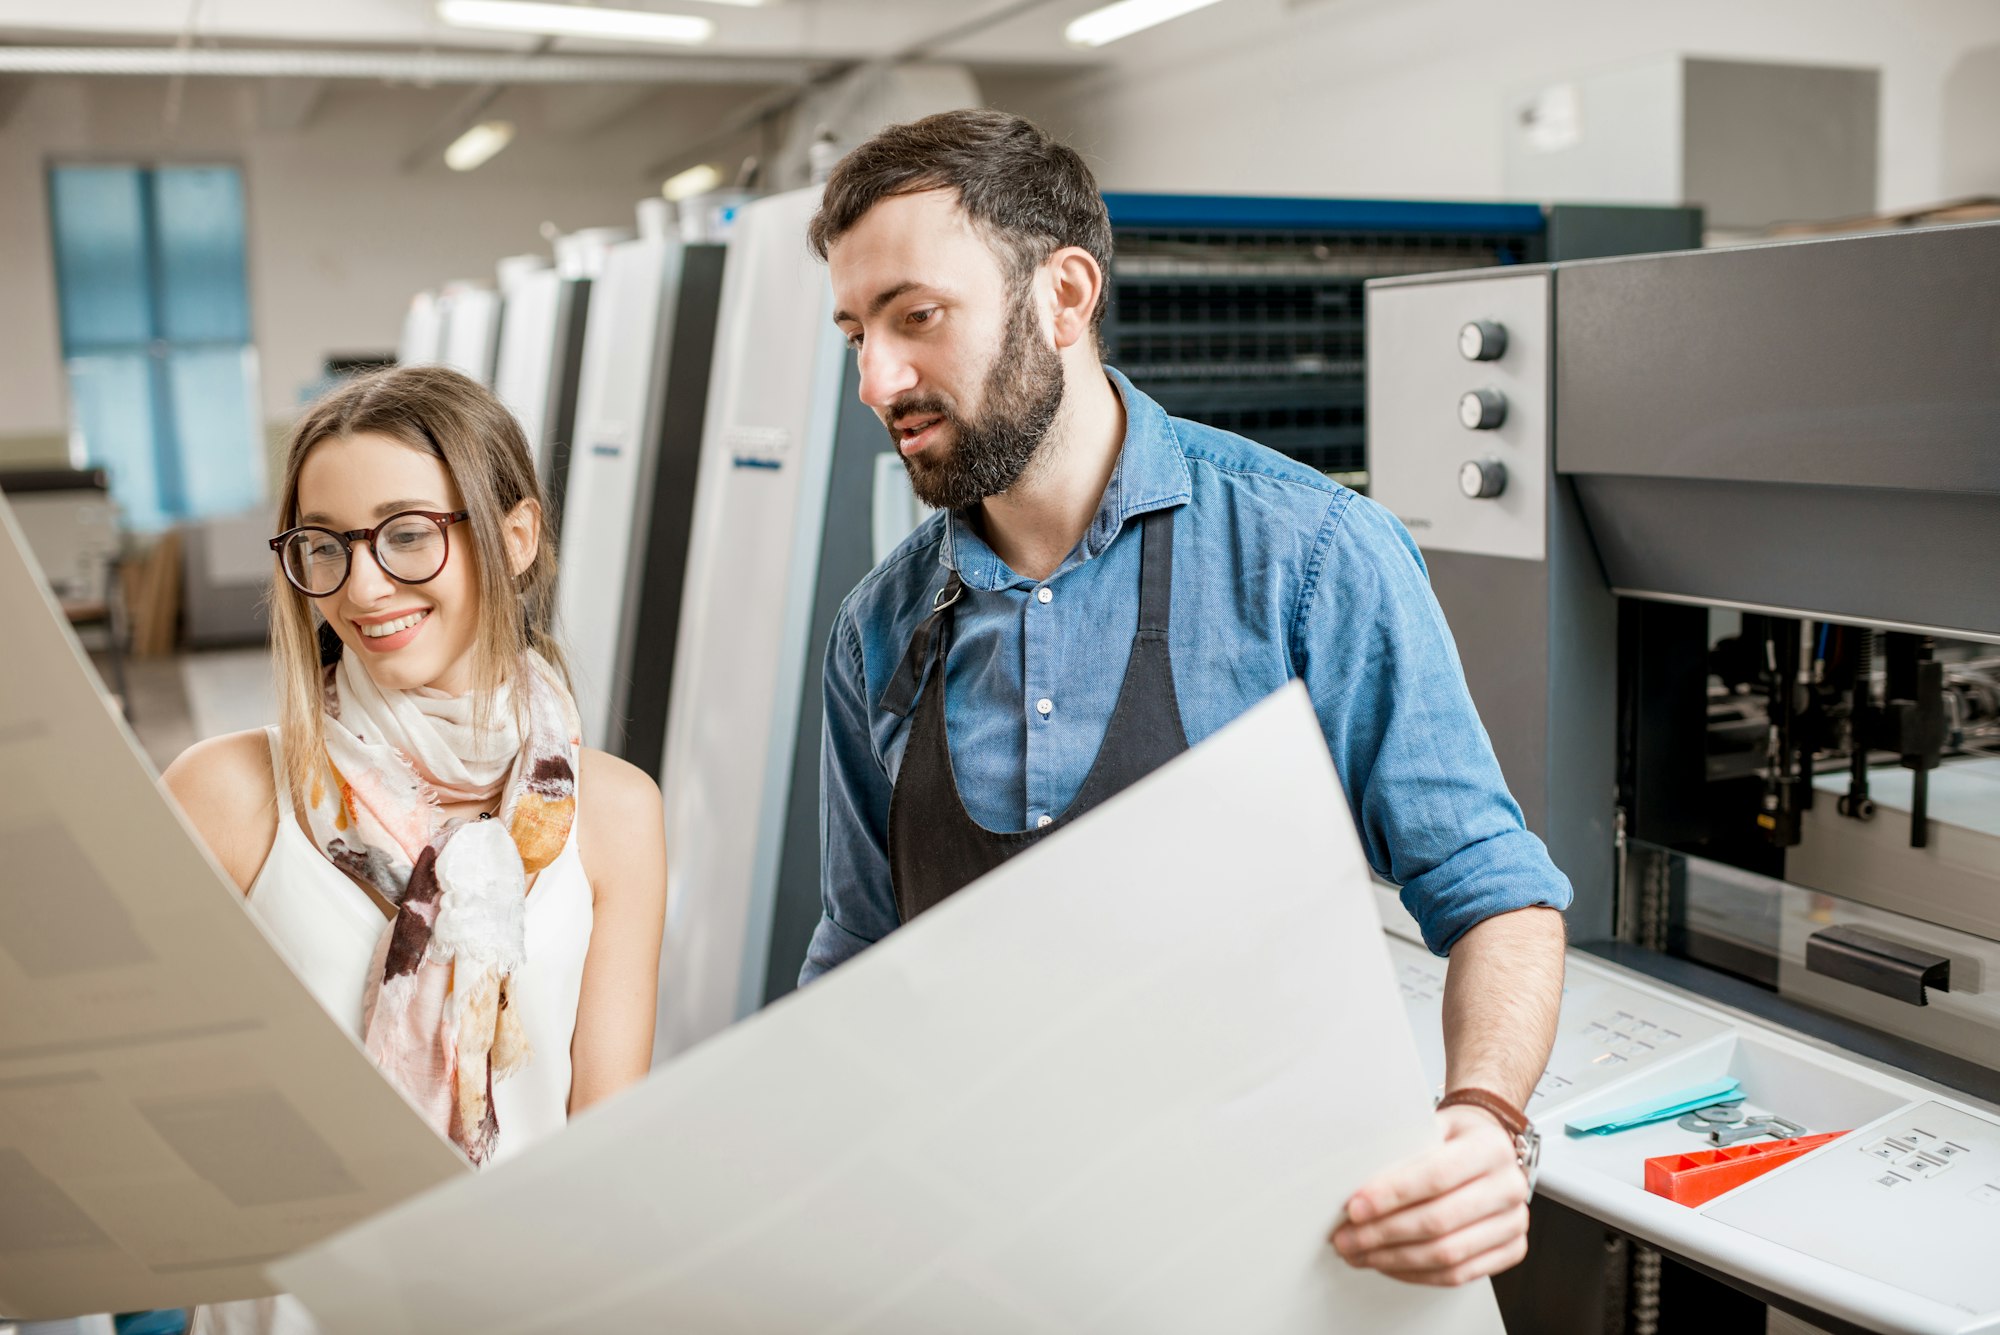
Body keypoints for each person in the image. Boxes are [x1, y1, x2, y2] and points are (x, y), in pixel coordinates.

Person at [800, 109, 1568, 1289]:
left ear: (1062, 298)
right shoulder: (877, 629)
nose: (876, 380)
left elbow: (1493, 894)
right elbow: (859, 957)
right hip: (991, 1264)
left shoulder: (1311, 557)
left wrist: (1480, 1119)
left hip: (1280, 1259)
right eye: (854, 332)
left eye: (916, 317)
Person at [163, 365, 666, 1333]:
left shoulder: (612, 813)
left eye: (406, 535)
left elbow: (603, 1151)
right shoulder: (227, 794)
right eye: (323, 546)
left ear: (514, 539)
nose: (360, 586)